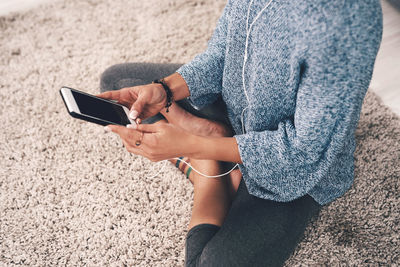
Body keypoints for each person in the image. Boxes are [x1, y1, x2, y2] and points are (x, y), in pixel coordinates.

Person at [98, 0, 382, 266]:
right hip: (236, 110)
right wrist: (166, 91)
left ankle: (205, 174)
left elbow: (303, 152)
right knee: (118, 84)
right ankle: (214, 137)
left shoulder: (345, 18)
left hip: (293, 172)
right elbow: (222, 53)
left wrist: (198, 149)